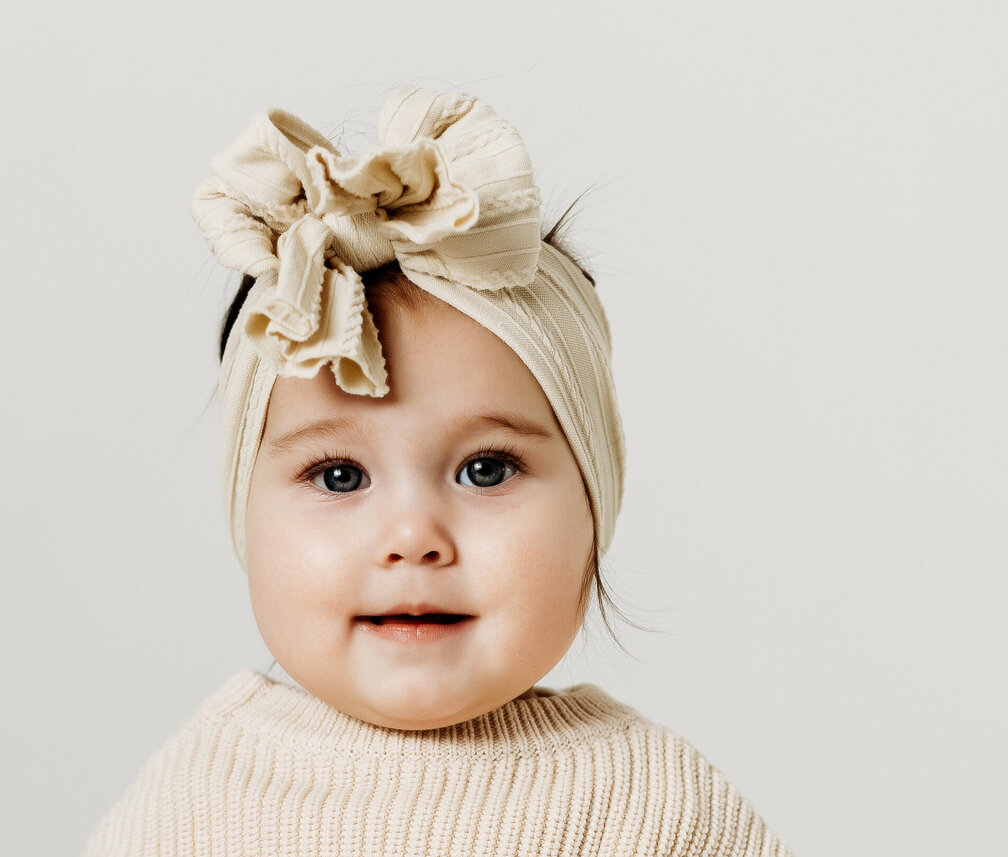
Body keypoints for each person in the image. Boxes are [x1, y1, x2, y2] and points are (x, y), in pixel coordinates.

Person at [83, 85, 793, 856]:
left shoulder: (653, 812)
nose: (414, 538)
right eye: (340, 475)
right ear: (245, 515)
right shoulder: (196, 801)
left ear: (594, 507)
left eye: (486, 469)